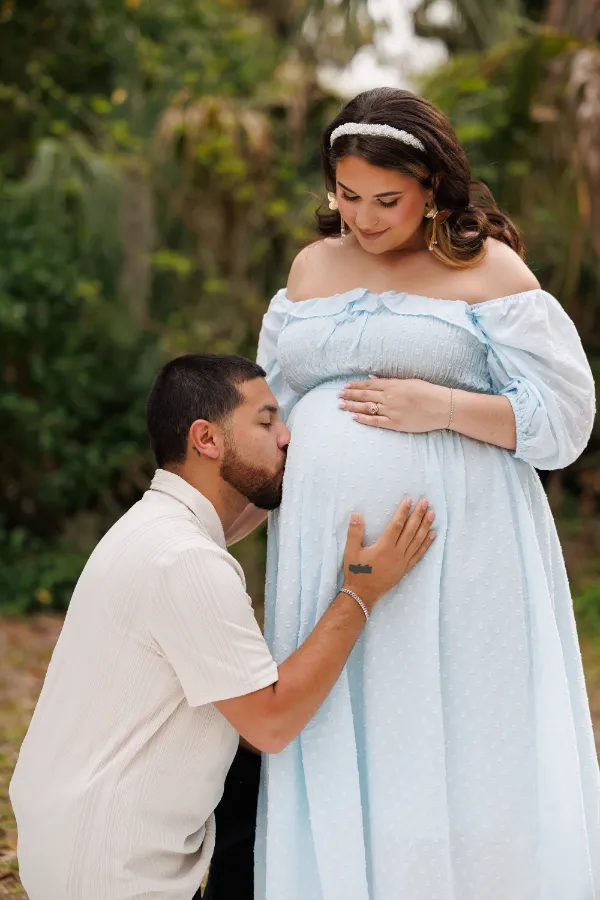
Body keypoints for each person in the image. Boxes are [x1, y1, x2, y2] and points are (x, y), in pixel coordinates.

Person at [252, 88, 600, 900]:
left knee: (456, 730)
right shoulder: (310, 268)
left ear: (434, 187)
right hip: (322, 563)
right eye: (347, 195)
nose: (363, 219)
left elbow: (566, 421)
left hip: (463, 558)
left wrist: (439, 407)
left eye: (387, 200)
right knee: (339, 724)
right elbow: (269, 405)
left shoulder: (489, 270)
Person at [9, 353, 435, 900]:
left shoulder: (154, 528)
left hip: (77, 844)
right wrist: (360, 591)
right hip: (113, 874)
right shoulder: (185, 560)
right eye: (267, 421)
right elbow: (270, 724)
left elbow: (241, 515)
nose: (288, 438)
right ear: (206, 439)